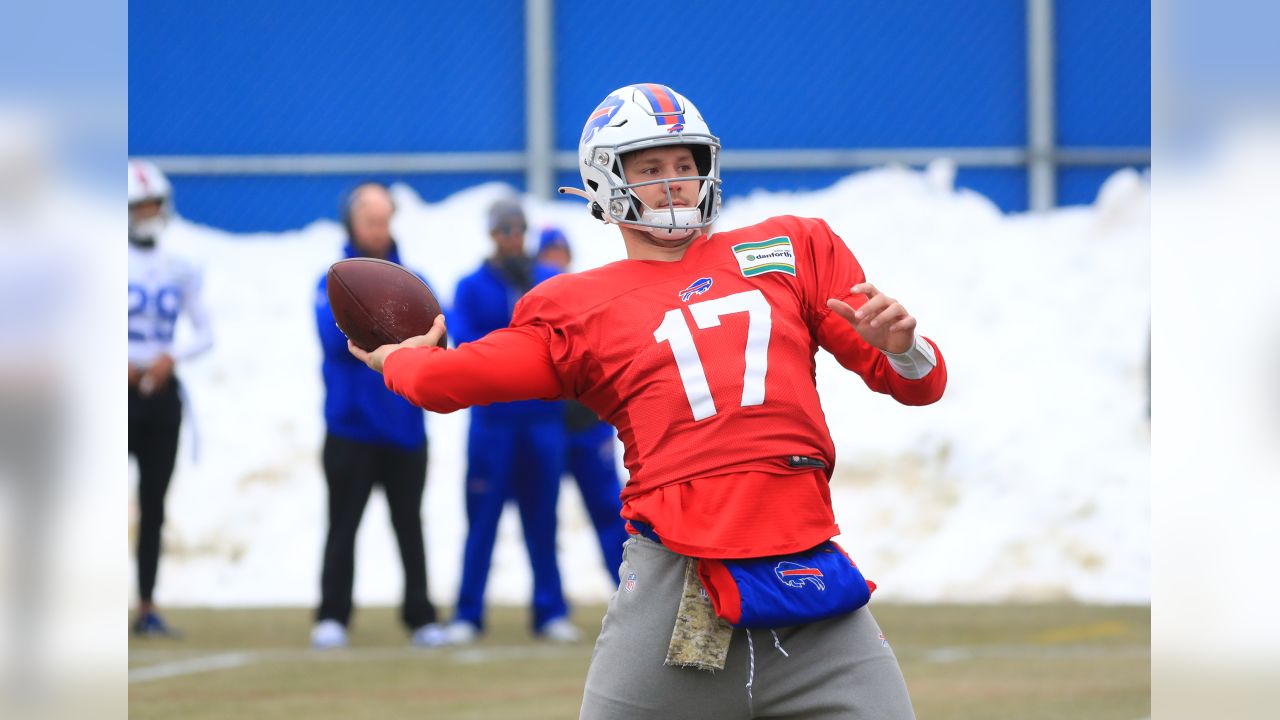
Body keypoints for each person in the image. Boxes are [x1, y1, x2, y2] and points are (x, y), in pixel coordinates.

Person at [351, 84, 946, 718]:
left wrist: (906, 348)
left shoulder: (793, 248)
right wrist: (401, 358)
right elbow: (450, 381)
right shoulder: (577, 306)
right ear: (606, 182)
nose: (672, 184)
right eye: (650, 168)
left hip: (809, 583)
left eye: (684, 166)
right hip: (676, 587)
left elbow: (918, 383)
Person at [311, 181, 445, 649]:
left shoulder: (411, 278)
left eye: (385, 219)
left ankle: (421, 615)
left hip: (405, 427)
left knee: (409, 524)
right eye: (371, 220)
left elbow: (438, 339)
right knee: (343, 524)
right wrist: (385, 331)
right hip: (350, 428)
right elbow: (337, 341)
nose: (379, 229)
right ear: (352, 222)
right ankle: (332, 615)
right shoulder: (332, 281)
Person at [441, 200, 580, 644]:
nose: (511, 238)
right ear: (491, 234)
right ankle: (468, 612)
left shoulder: (545, 281)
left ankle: (549, 609)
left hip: (541, 421)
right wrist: (519, 346)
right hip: (493, 424)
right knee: (482, 520)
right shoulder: (470, 286)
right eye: (503, 230)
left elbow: (562, 339)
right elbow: (469, 343)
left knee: (543, 520)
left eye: (518, 229)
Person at [128, 159, 214, 636]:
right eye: (139, 205)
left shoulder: (178, 265)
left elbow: (205, 333)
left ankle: (146, 604)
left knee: (154, 505)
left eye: (153, 204)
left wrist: (170, 358)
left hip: (161, 398)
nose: (148, 212)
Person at [535, 228, 630, 579]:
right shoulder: (534, 303)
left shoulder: (585, 298)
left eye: (560, 253)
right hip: (548, 425)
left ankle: (627, 586)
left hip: (588, 425)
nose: (555, 261)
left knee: (610, 511)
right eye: (549, 254)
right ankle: (550, 605)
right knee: (542, 514)